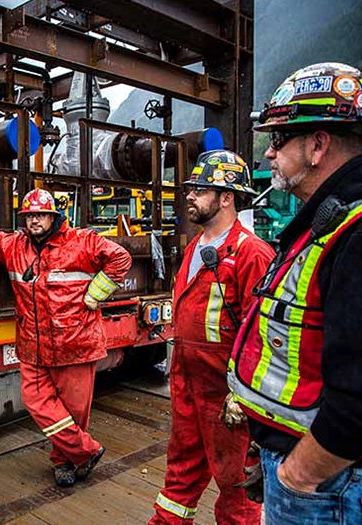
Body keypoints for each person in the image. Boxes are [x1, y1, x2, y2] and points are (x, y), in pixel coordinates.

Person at [227, 62, 362, 524]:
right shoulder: (329, 221)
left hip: (324, 486)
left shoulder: (354, 232)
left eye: (278, 139)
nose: (267, 154)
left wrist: (298, 475)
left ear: (318, 145)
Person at [0, 188, 132, 487]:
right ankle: (86, 451)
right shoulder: (14, 246)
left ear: (54, 217)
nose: (35, 221)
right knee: (36, 401)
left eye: (41, 215)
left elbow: (120, 259)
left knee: (73, 412)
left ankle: (65, 463)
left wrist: (96, 293)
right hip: (33, 344)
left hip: (76, 344)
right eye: (29, 216)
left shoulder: (82, 241)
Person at [149, 150, 273, 525]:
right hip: (189, 384)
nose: (190, 196)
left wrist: (244, 393)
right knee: (180, 477)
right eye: (192, 189)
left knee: (237, 490)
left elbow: (265, 334)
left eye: (201, 189)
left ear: (227, 197)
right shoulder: (195, 249)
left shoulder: (251, 254)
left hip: (227, 397)